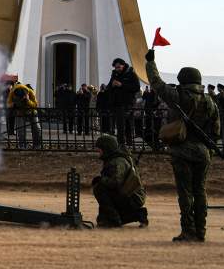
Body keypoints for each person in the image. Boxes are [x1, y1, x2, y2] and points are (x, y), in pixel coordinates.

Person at [145, 48, 221, 242]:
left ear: (182, 80)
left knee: (185, 193)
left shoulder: (178, 97)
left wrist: (150, 63)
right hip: (203, 152)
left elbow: (156, 83)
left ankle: (188, 231)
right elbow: (216, 131)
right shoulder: (209, 102)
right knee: (200, 191)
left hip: (182, 151)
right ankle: (201, 231)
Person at [92, 134, 148, 228]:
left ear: (106, 148)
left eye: (100, 149)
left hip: (132, 197)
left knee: (99, 188)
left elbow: (115, 183)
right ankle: (138, 214)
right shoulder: (116, 158)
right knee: (103, 218)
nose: (98, 151)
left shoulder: (117, 161)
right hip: (132, 195)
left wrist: (101, 180)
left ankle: (114, 220)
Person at [107, 58, 140, 147]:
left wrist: (122, 85)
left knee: (125, 124)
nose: (117, 69)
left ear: (123, 65)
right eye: (116, 68)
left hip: (127, 102)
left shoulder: (131, 74)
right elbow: (108, 87)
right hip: (116, 103)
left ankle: (123, 144)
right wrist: (112, 85)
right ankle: (123, 143)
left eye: (119, 67)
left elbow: (136, 87)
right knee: (121, 123)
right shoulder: (114, 74)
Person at [7, 82, 41, 149]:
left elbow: (35, 105)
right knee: (20, 129)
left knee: (36, 128)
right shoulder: (12, 92)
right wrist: (13, 104)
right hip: (20, 112)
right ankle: (22, 145)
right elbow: (8, 104)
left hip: (31, 112)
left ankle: (37, 145)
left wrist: (28, 101)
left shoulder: (30, 92)